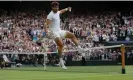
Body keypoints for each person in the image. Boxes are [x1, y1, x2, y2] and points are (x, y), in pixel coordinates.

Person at [44, 1, 84, 69]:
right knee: (61, 45)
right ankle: (61, 61)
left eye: (57, 7)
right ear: (52, 7)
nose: (57, 8)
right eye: (55, 7)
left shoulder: (58, 12)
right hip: (54, 33)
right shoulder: (50, 15)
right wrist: (47, 32)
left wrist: (67, 9)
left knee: (72, 35)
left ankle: (79, 48)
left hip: (59, 31)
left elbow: (61, 11)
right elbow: (45, 24)